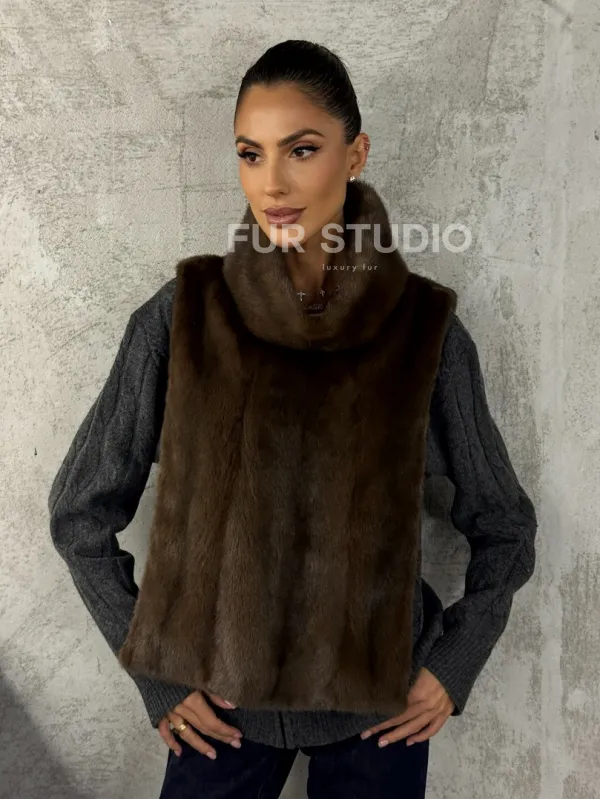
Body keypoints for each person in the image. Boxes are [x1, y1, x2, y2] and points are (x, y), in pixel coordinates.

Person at [48, 40, 537, 799]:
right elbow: (79, 512)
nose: (271, 182)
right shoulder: (178, 323)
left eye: (301, 149)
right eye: (251, 154)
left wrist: (454, 660)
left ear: (355, 154)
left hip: (380, 718)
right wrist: (158, 676)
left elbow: (504, 522)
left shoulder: (426, 334)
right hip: (219, 716)